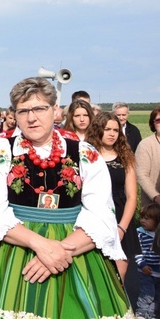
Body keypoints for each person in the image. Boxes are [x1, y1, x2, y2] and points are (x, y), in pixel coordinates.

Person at [0, 77, 132, 318]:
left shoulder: (85, 153)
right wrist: (41, 245)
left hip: (78, 251)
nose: (31, 117)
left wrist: (57, 252)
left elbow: (100, 215)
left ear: (55, 110)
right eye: (23, 111)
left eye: (39, 108)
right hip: (17, 253)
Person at [85, 112, 139, 281]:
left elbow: (131, 196)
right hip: (93, 215)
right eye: (107, 129)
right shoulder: (86, 155)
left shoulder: (125, 157)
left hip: (120, 217)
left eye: (115, 130)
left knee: (117, 277)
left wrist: (121, 228)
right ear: (97, 130)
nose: (112, 134)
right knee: (93, 276)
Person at [135, 203, 160, 319]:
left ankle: (151, 314)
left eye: (147, 218)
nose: (142, 221)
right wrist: (142, 264)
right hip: (146, 270)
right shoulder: (140, 233)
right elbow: (137, 251)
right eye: (142, 218)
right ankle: (141, 313)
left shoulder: (158, 235)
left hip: (158, 271)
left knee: (157, 296)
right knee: (147, 293)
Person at [136, 105, 160, 210]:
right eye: (158, 120)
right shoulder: (146, 145)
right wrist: (156, 196)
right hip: (153, 207)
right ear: (153, 123)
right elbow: (141, 175)